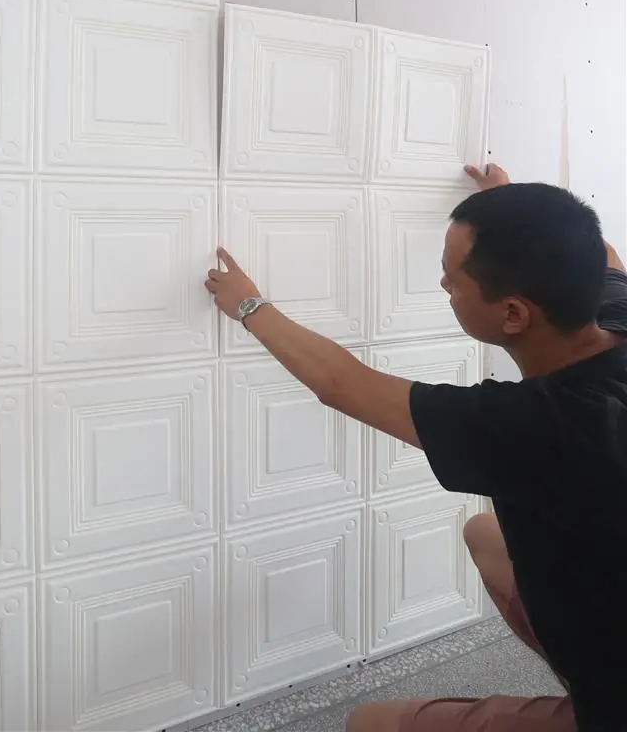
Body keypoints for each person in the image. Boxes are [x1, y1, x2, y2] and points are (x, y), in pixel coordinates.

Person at [204, 163, 627, 732]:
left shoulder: (546, 428)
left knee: (370, 723)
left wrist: (249, 306)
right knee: (486, 534)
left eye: (453, 280)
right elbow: (607, 257)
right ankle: (587, 680)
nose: (443, 286)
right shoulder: (613, 313)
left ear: (513, 313)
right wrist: (507, 208)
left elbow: (343, 384)